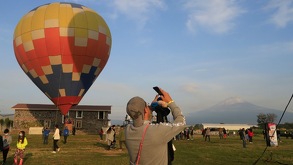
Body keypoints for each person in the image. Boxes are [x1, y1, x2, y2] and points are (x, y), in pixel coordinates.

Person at [125, 87, 186, 165]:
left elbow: (140, 116)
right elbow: (181, 122)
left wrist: (150, 107)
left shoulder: (128, 130)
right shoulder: (157, 131)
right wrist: (171, 102)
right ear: (146, 110)